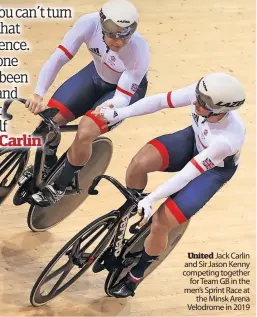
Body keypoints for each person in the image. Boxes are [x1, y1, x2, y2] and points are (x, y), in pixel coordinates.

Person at [99, 72, 246, 298]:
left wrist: (152, 198)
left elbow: (188, 175)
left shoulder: (227, 139)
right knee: (139, 164)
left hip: (212, 170)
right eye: (197, 97)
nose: (196, 102)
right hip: (194, 140)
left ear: (221, 110)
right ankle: (128, 216)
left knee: (160, 223)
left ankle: (135, 276)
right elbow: (159, 101)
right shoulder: (203, 95)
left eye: (203, 103)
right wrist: (120, 113)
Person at [20, 0, 150, 206]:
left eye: (124, 36)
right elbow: (58, 58)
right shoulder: (88, 23)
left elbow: (122, 97)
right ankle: (48, 163)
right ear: (101, 25)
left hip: (123, 92)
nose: (117, 42)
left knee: (85, 130)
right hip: (95, 76)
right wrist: (38, 93)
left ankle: (61, 185)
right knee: (50, 121)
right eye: (111, 35)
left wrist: (109, 107)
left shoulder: (138, 50)